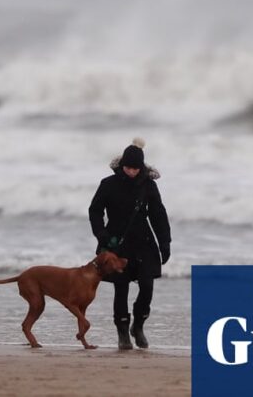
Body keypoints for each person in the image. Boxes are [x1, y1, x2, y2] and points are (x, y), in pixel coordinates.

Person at [88, 138, 171, 350]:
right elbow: (95, 211)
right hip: (116, 245)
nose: (131, 172)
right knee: (121, 288)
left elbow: (158, 215)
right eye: (127, 167)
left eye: (135, 168)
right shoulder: (108, 184)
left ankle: (139, 326)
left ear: (141, 167)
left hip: (144, 244)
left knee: (147, 287)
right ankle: (123, 332)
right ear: (121, 165)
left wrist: (165, 242)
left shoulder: (149, 186)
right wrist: (102, 235)